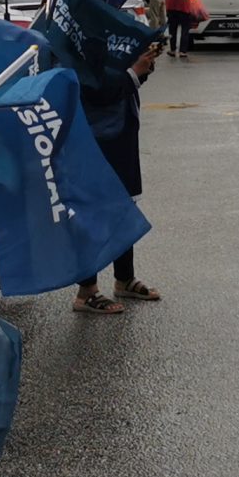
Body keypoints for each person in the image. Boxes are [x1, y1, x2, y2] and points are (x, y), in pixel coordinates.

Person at [74, 39, 162, 315]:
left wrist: (142, 68)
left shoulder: (103, 36)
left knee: (124, 208)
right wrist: (134, 72)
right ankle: (86, 291)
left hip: (119, 137)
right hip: (97, 140)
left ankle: (124, 278)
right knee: (92, 214)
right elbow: (96, 91)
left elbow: (120, 84)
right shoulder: (78, 41)